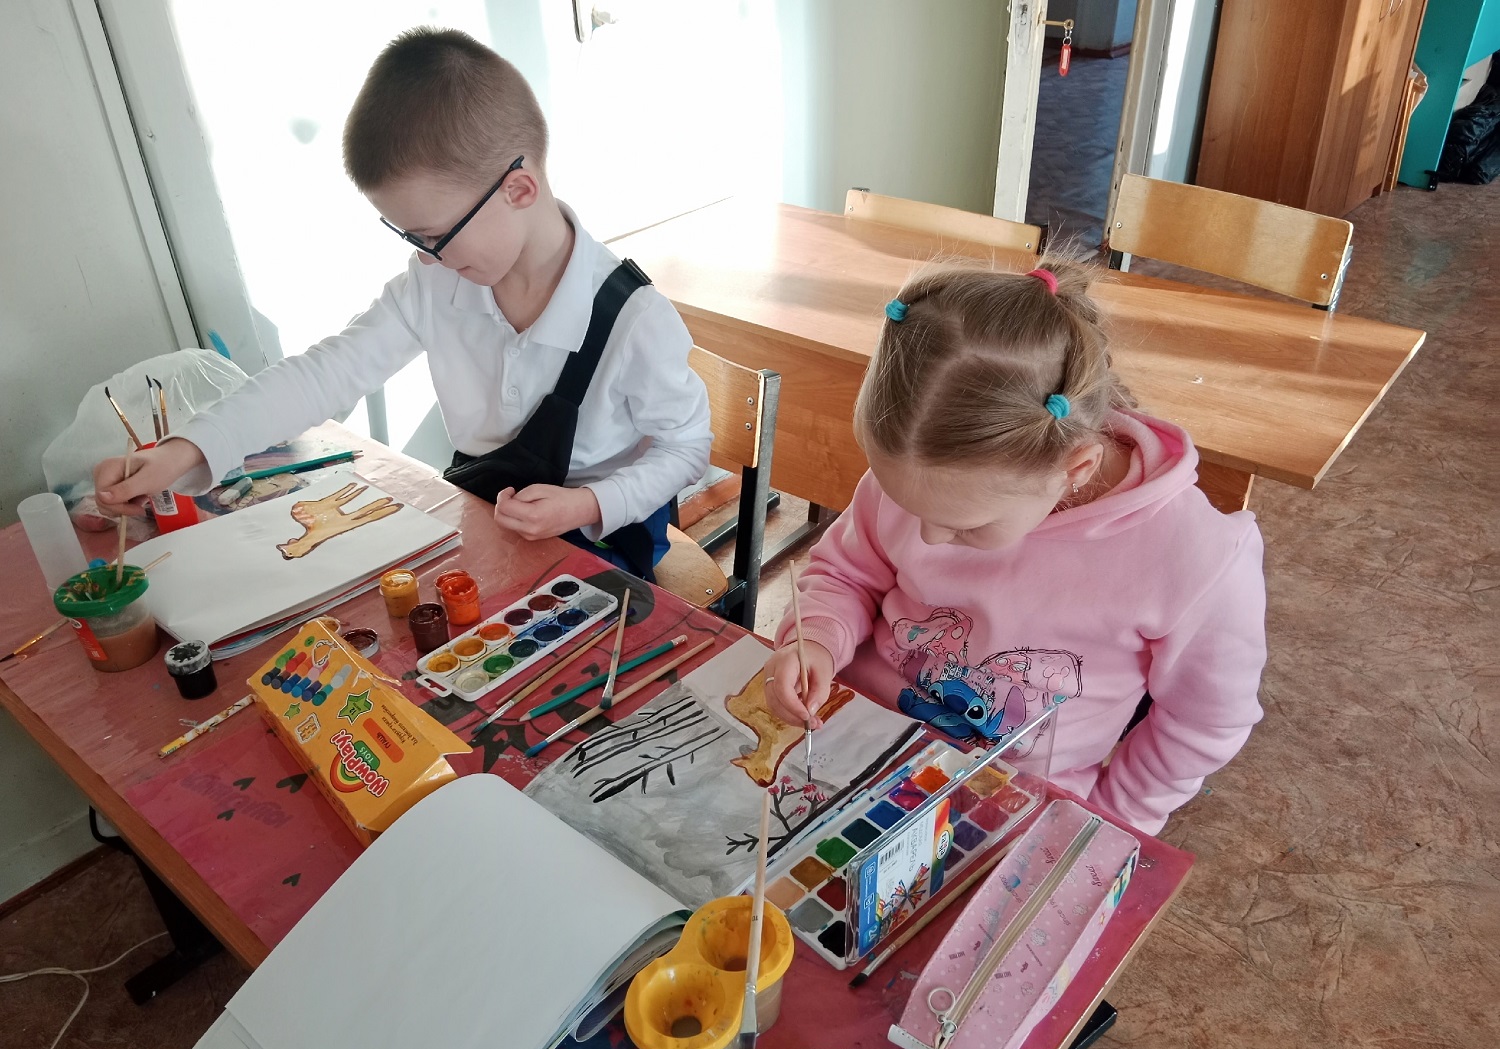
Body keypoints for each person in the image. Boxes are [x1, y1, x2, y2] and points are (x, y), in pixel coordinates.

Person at [93, 28, 710, 580]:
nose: (427, 257)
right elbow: (325, 373)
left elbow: (686, 449)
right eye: (410, 237)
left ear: (519, 189)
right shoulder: (436, 284)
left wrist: (588, 503)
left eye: (436, 235)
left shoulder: (634, 320)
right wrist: (187, 450)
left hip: (604, 539)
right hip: (485, 515)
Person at [759, 262, 1266, 834]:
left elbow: (1205, 721)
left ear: (1076, 469)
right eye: (907, 506)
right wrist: (815, 639)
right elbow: (846, 575)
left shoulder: (1198, 560)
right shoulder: (927, 468)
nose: (927, 538)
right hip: (855, 737)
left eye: (966, 527)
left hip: (1013, 801)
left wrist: (1116, 815)